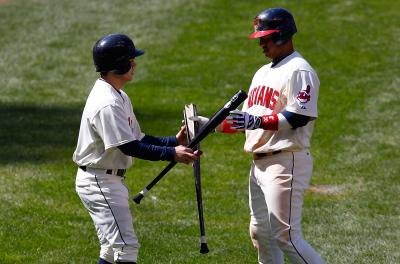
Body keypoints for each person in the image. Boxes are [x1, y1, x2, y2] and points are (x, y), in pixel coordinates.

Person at [72, 33, 200, 264]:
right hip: (99, 182)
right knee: (126, 246)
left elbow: (138, 137)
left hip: (106, 179)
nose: (135, 64)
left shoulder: (118, 95)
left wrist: (174, 141)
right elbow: (129, 146)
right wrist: (172, 154)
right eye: (130, 59)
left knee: (111, 249)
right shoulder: (107, 103)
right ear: (118, 64)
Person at [216, 7, 325, 264]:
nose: (261, 44)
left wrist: (256, 120)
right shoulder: (262, 73)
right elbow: (243, 122)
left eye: (265, 38)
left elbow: (300, 116)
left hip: (286, 159)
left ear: (280, 35)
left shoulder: (299, 70)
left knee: (286, 237)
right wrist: (206, 125)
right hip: (259, 163)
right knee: (261, 233)